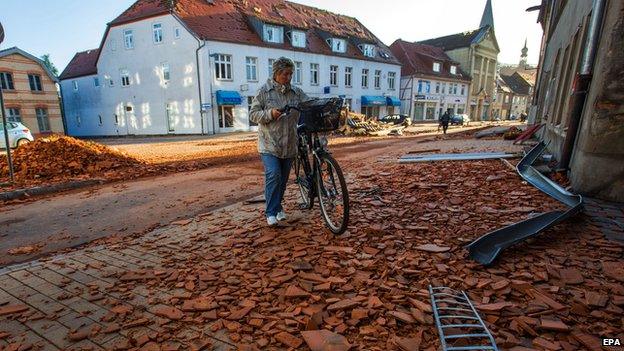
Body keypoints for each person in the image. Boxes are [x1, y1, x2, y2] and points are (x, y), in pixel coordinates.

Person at [249, 57, 309, 226]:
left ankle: (278, 207)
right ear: (276, 73)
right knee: (273, 175)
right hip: (269, 143)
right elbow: (253, 115)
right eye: (285, 74)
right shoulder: (264, 92)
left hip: (289, 143)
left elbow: (309, 104)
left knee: (282, 180)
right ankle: (271, 211)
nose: (288, 77)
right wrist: (270, 114)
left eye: (291, 74)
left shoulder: (296, 93)